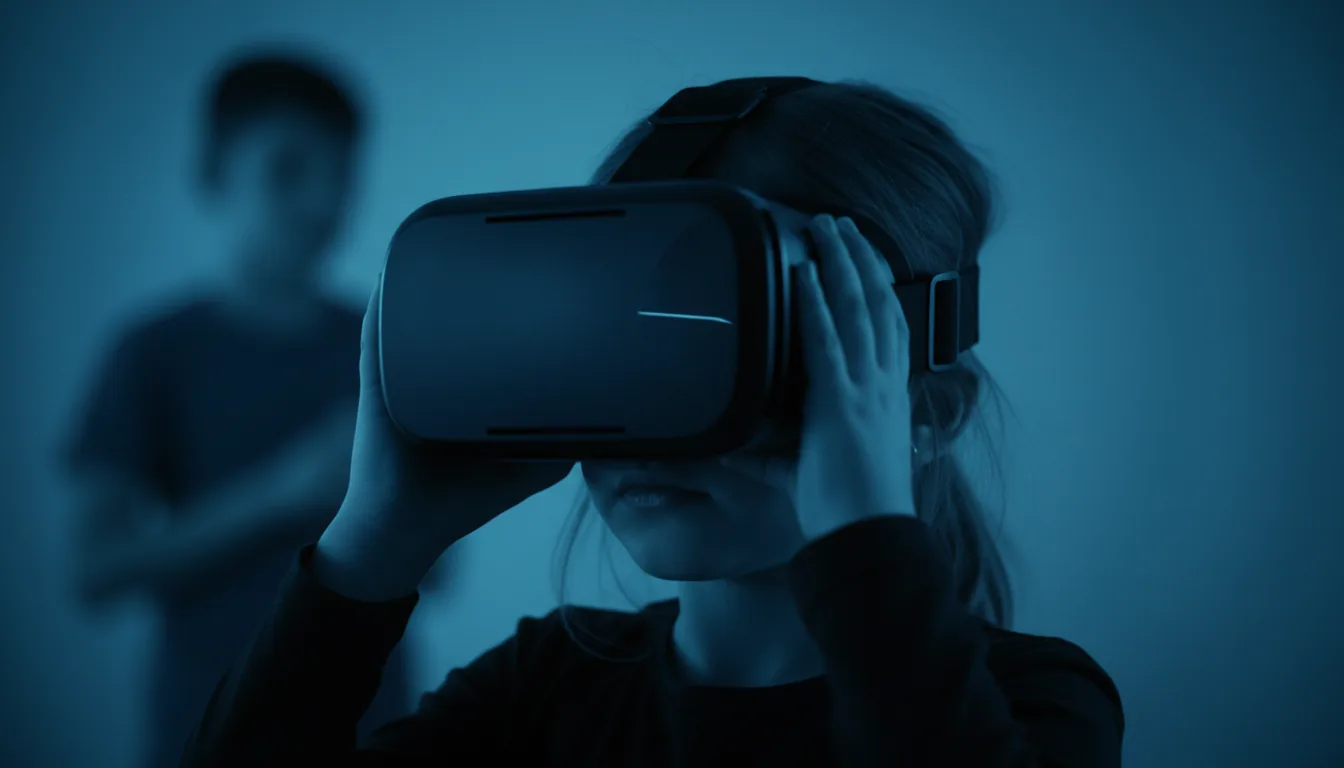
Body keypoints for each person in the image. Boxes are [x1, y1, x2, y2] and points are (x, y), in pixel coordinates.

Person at [181, 78, 1124, 766]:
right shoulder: (541, 692)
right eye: (617, 340)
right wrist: (378, 540)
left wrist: (866, 536)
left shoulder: (1033, 705)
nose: (658, 423)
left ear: (925, 416)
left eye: (731, 349)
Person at [62, 50, 414, 768]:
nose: (322, 202)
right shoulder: (153, 349)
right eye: (288, 169)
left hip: (374, 727)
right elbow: (94, 568)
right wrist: (281, 492)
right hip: (206, 731)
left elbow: (438, 568)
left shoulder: (387, 337)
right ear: (214, 173)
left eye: (341, 172)